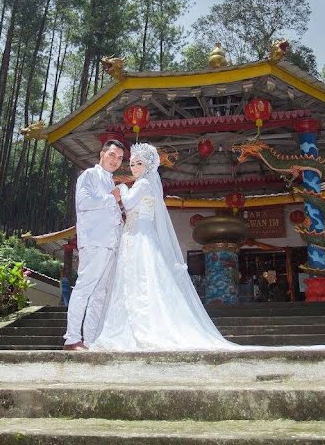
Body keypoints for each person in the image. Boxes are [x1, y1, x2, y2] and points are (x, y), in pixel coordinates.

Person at [89, 142, 237, 351]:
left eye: (139, 163)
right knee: (135, 280)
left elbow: (129, 204)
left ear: (148, 166)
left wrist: (121, 188)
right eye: (132, 164)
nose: (134, 167)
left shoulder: (143, 184)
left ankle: (143, 326)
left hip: (140, 238)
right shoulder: (143, 184)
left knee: (140, 280)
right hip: (134, 236)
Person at [63, 139, 124, 350]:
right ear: (102, 154)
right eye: (112, 155)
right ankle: (71, 339)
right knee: (84, 289)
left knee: (100, 294)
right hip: (94, 242)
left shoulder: (110, 182)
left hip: (110, 244)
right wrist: (111, 198)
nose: (115, 160)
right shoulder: (89, 175)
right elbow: (84, 203)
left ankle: (89, 340)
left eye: (119, 158)